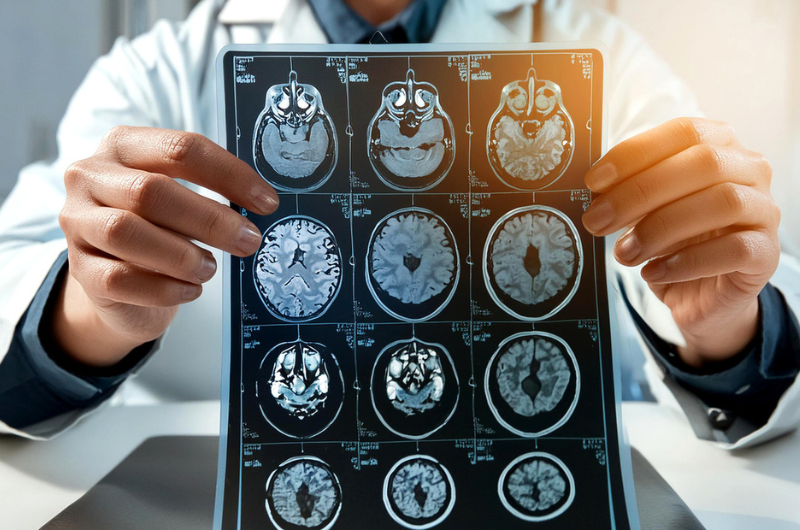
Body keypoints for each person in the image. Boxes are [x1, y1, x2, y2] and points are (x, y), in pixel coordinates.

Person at [0, 0, 797, 450]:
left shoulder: (600, 60)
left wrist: (728, 332)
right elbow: (23, 274)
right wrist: (84, 315)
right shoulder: (163, 70)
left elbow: (716, 261)